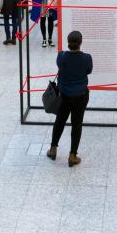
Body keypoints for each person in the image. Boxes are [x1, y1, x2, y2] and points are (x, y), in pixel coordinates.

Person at [47, 30, 92, 167]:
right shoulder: (87, 58)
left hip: (64, 95)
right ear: (81, 42)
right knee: (76, 124)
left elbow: (60, 66)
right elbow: (88, 71)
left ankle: (53, 149)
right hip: (80, 96)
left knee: (59, 121)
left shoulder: (61, 56)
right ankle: (72, 155)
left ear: (68, 42)